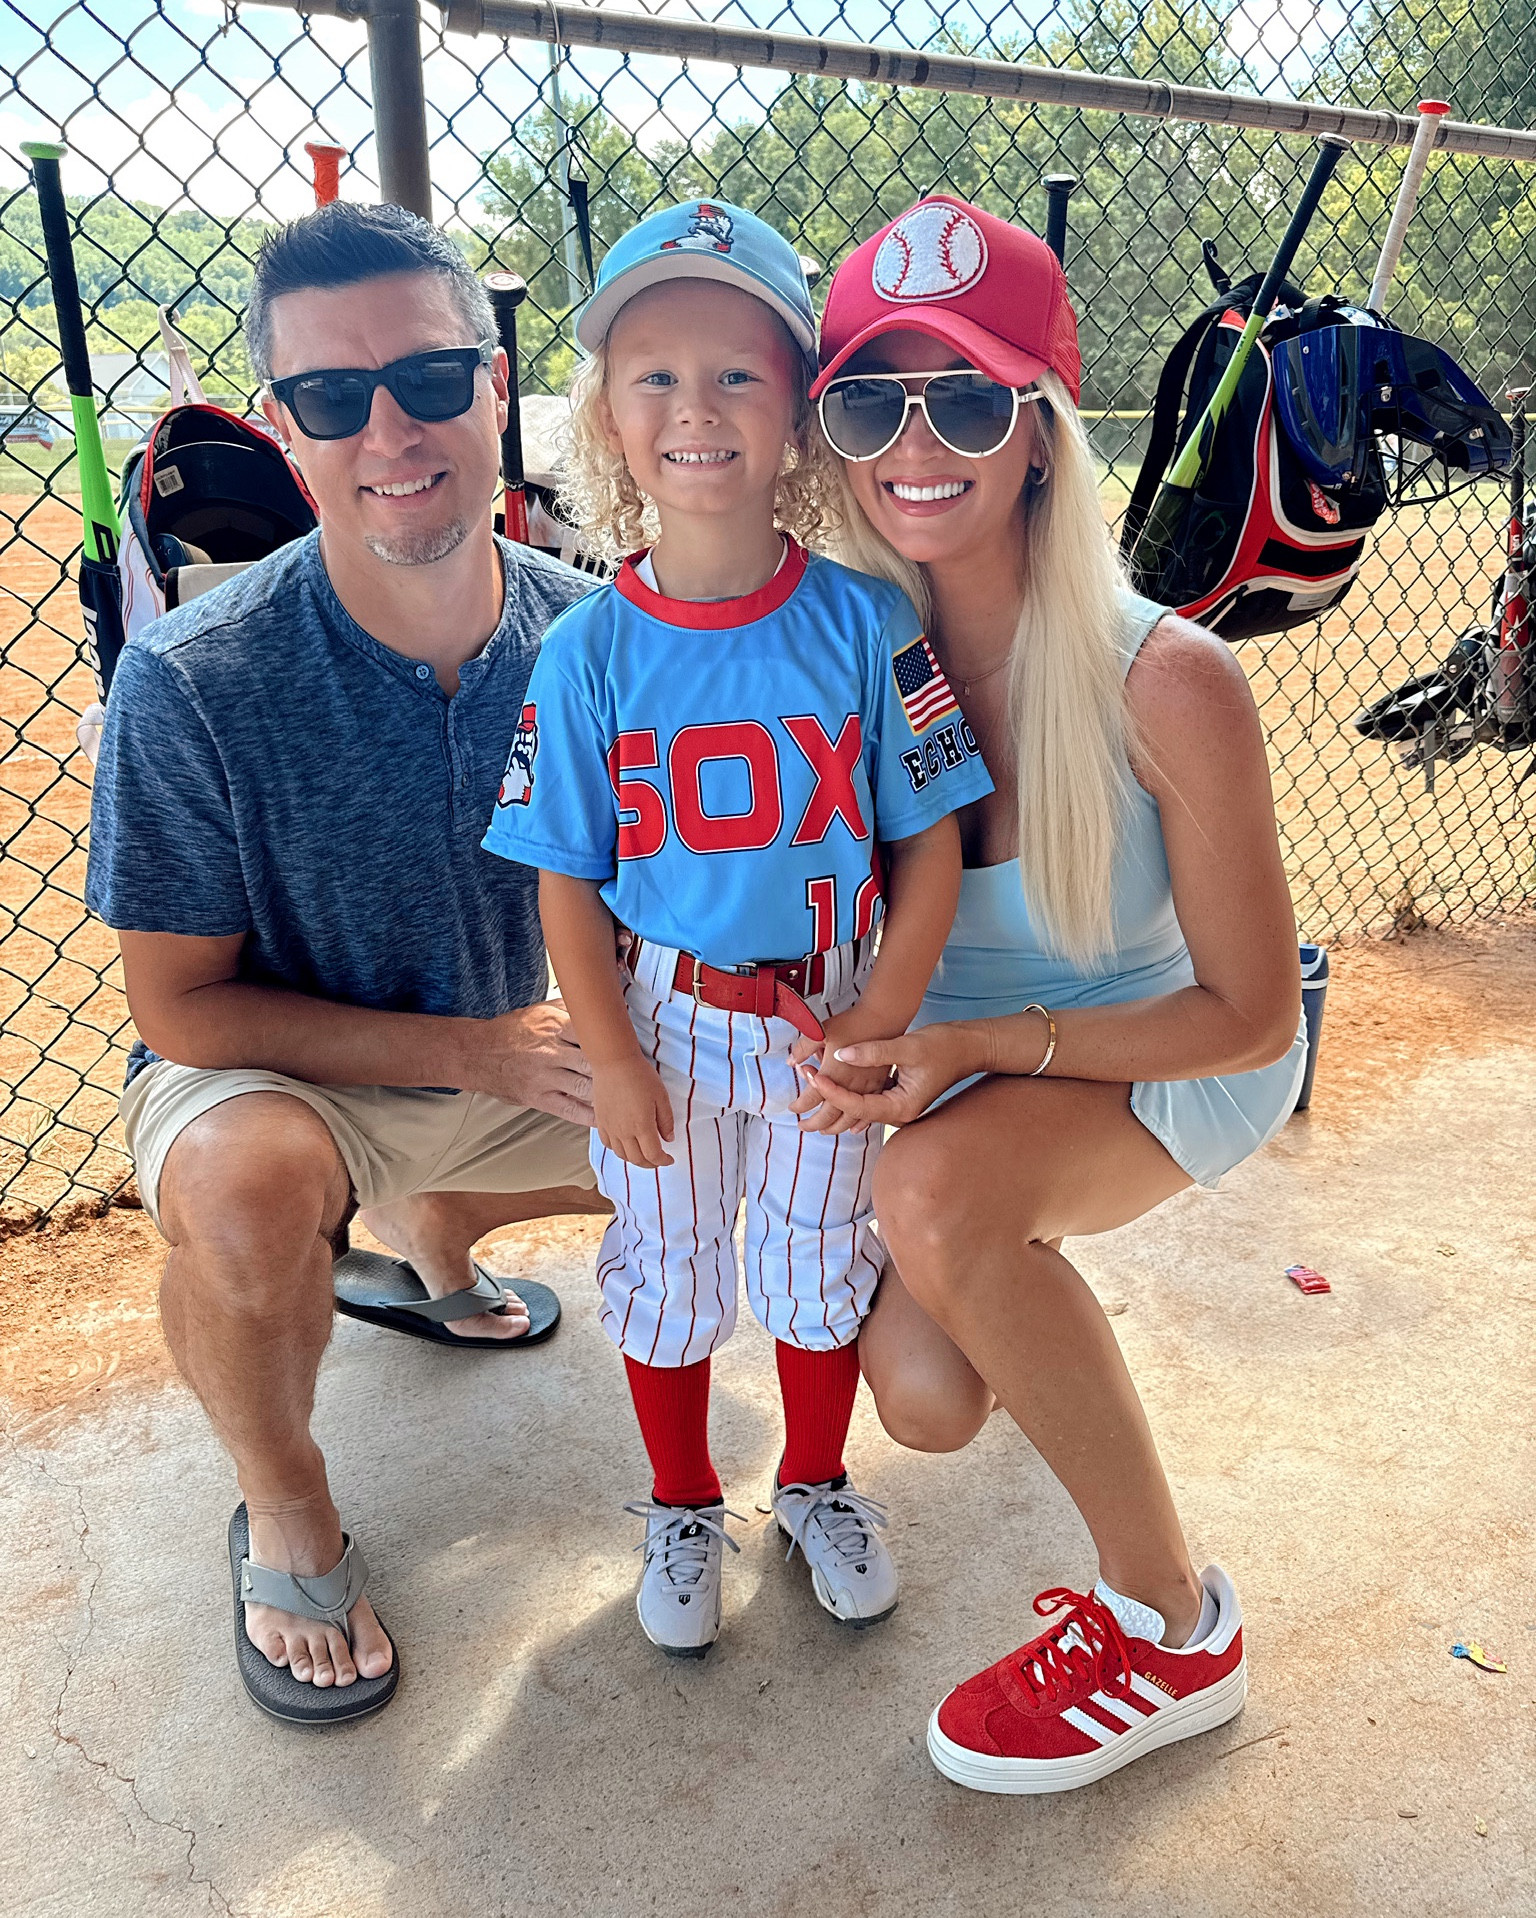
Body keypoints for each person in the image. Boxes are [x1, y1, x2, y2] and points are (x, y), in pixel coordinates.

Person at [799, 195, 1307, 1792]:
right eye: (872, 400)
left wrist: (970, 1052)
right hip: (974, 1069)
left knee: (935, 1194)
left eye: (966, 395)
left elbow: (1252, 1016)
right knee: (933, 1398)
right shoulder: (835, 656)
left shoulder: (1169, 678)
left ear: (1040, 432)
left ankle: (1173, 1626)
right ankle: (1012, 1247)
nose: (915, 442)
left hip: (1170, 1047)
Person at [85, 202, 607, 1725]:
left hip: (517, 1047)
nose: (390, 426)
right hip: (297, 1079)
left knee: (764, 1129)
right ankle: (289, 1501)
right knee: (244, 1199)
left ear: (497, 387)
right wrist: (475, 1054)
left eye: (433, 379)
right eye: (330, 396)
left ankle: (436, 1230)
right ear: (287, 431)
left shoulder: (600, 639)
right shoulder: (194, 676)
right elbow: (177, 1008)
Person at [483, 200, 992, 1657]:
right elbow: (567, 879)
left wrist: (881, 1017)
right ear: (609, 418)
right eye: (654, 376)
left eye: (738, 375)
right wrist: (610, 1051)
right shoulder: (585, 647)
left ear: (798, 418)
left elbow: (929, 843)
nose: (695, 409)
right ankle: (682, 1496)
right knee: (669, 1264)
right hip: (665, 1013)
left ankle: (817, 1479)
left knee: (815, 1260)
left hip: (833, 1007)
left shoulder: (865, 619)